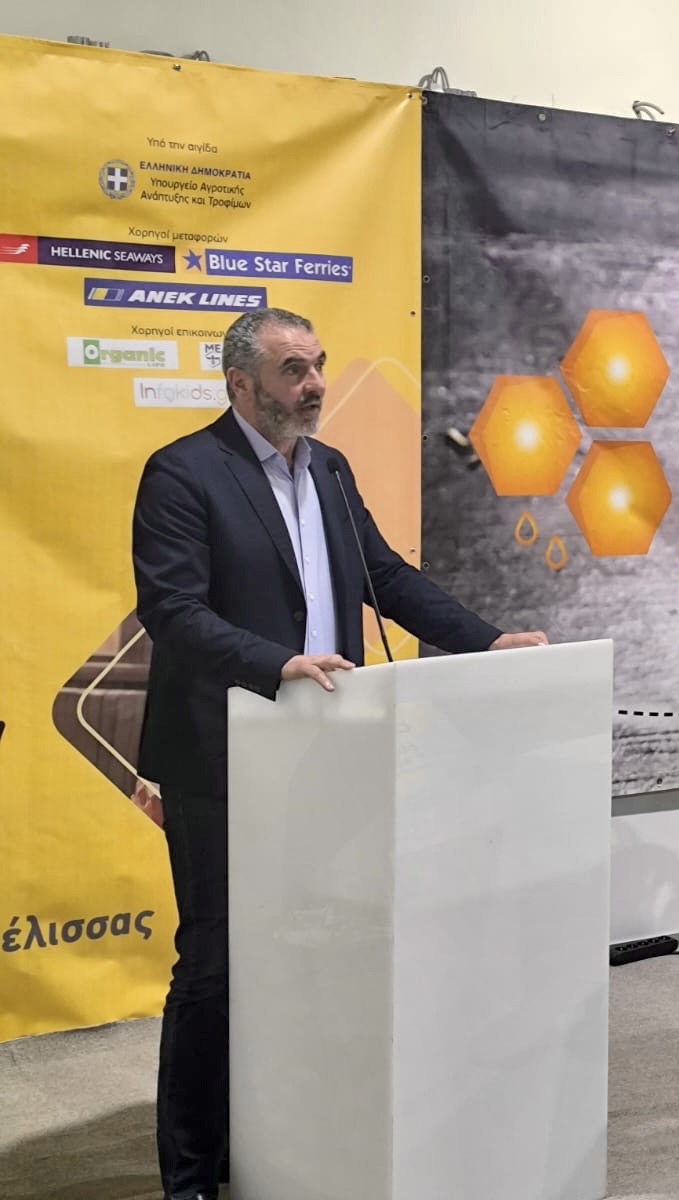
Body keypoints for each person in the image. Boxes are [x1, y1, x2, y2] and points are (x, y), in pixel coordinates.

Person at [133, 308, 549, 1200]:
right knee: (214, 967)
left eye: (318, 365)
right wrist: (273, 663)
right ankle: (192, 1177)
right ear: (240, 383)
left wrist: (485, 641)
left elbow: (383, 578)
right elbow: (173, 610)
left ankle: (284, 1139)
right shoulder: (182, 472)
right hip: (223, 757)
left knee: (314, 955)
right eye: (293, 370)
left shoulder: (327, 468)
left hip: (328, 749)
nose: (315, 384)